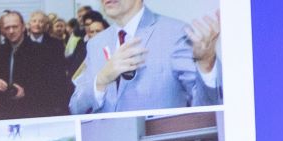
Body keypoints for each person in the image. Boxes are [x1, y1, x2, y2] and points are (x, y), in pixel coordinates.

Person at [69, 0, 221, 113]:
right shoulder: (95, 44)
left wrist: (206, 64)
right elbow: (75, 108)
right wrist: (100, 81)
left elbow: (206, 108)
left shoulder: (175, 33)